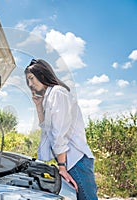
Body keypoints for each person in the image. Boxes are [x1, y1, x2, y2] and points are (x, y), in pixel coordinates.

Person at [25, 58, 98, 200]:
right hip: (69, 160)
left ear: (42, 75)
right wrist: (39, 106)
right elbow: (46, 129)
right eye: (28, 80)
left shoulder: (58, 93)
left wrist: (62, 167)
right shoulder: (50, 96)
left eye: (31, 78)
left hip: (75, 161)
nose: (29, 84)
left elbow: (59, 134)